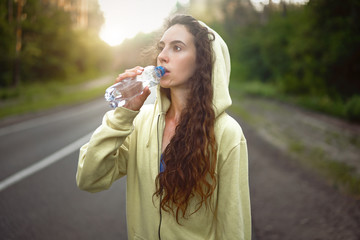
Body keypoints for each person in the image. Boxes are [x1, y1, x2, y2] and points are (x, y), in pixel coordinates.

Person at [76, 14, 251, 240]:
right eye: (161, 47)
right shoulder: (140, 122)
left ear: (203, 61)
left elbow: (233, 224)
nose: (162, 56)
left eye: (177, 48)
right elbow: (88, 179)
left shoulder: (226, 132)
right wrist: (123, 114)